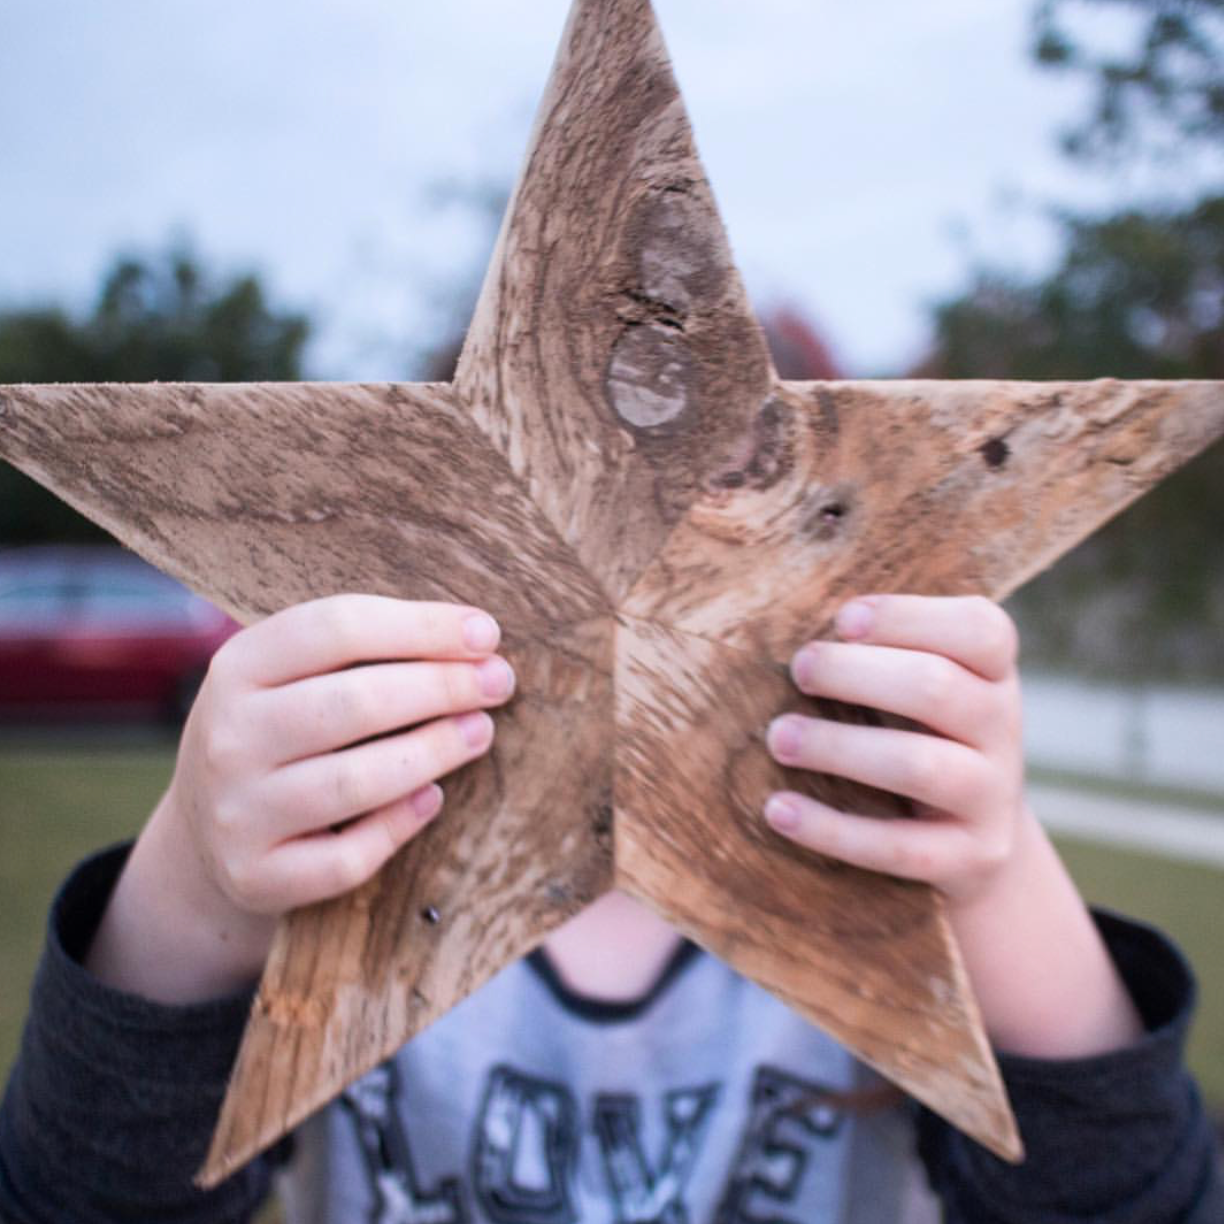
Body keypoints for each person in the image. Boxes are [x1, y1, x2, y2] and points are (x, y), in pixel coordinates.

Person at [0, 592, 1220, 1222]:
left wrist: (993, 877)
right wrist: (195, 881)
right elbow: (78, 1202)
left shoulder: (865, 891)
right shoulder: (358, 874)